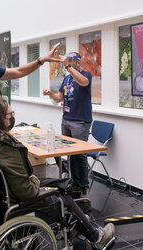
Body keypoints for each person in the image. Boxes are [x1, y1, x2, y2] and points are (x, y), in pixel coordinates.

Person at [0, 97, 115, 249]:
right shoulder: (6, 149)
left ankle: (79, 221)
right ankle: (95, 235)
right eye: (10, 114)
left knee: (62, 184)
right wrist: (33, 181)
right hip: (16, 207)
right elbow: (27, 192)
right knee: (64, 198)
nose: (13, 115)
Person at [43, 52, 92, 197]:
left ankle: (83, 185)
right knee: (70, 153)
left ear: (78, 62)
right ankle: (74, 182)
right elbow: (59, 98)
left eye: (71, 61)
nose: (68, 63)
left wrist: (67, 65)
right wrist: (50, 93)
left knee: (80, 154)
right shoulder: (67, 79)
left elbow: (83, 82)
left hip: (80, 121)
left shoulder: (85, 75)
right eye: (67, 60)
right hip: (67, 119)